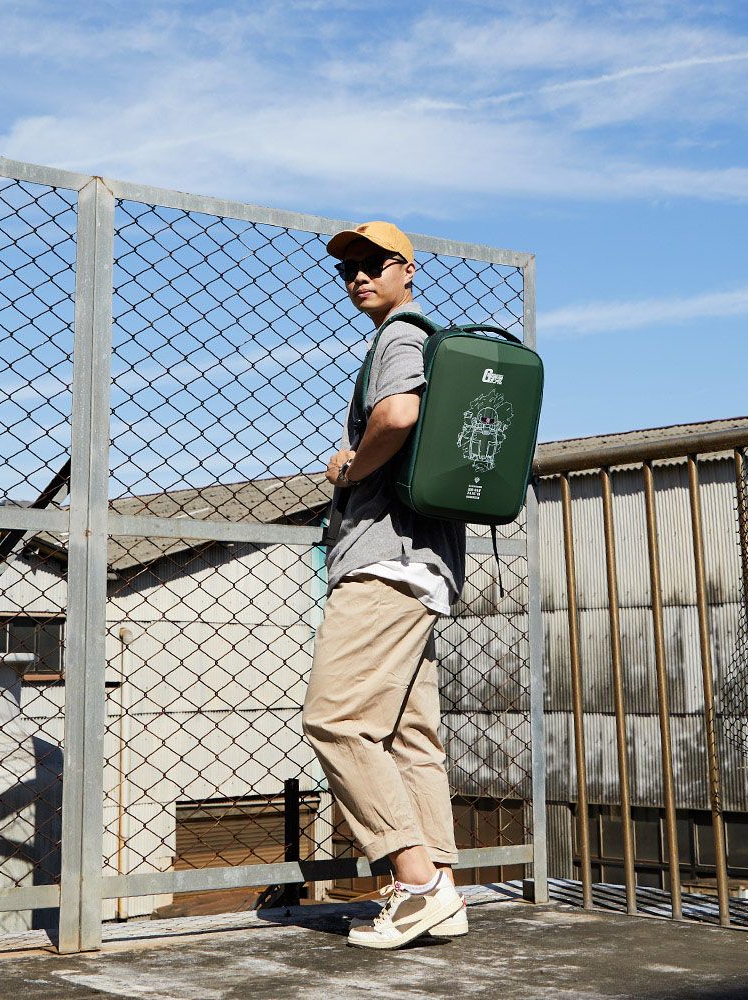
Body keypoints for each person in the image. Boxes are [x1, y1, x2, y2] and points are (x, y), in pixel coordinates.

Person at [301, 221, 467, 950]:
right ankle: (443, 895)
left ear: (408, 270)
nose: (359, 276)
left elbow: (398, 414)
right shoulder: (432, 344)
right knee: (409, 738)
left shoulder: (400, 335)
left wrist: (351, 469)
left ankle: (414, 879)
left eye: (375, 263)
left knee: (335, 719)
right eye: (349, 268)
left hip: (383, 562)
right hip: (426, 565)